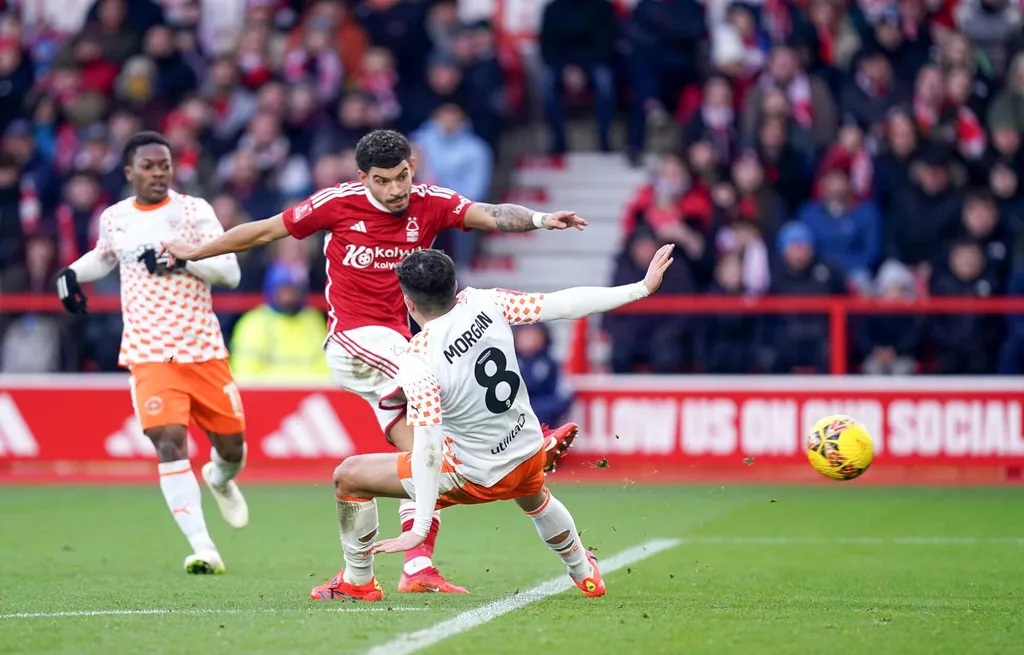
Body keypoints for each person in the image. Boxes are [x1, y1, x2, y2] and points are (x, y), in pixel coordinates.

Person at [161, 129, 584, 594]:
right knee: (436, 366)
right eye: (383, 181)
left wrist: (543, 219)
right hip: (353, 341)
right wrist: (196, 253)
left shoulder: (431, 202)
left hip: (397, 344)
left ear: (412, 167)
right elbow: (263, 230)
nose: (396, 189)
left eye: (402, 176)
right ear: (364, 178)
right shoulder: (335, 204)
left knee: (423, 457)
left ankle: (397, 572)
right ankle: (520, 443)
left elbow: (492, 215)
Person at [309, 245, 675, 601]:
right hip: (527, 450)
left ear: (407, 302)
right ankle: (583, 570)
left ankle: (357, 582)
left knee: (349, 475)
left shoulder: (418, 358)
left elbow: (429, 448)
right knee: (535, 498)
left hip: (474, 476)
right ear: (454, 286)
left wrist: (418, 529)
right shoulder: (486, 301)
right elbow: (561, 304)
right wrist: (640, 288)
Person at [54, 131, 247, 575]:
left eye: (164, 165)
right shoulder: (116, 217)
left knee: (232, 447)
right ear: (129, 173)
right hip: (149, 352)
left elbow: (231, 272)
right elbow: (104, 257)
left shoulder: (194, 211)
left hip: (201, 349)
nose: (158, 173)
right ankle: (203, 546)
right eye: (148, 166)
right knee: (167, 440)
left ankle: (220, 477)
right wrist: (71, 272)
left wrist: (186, 260)